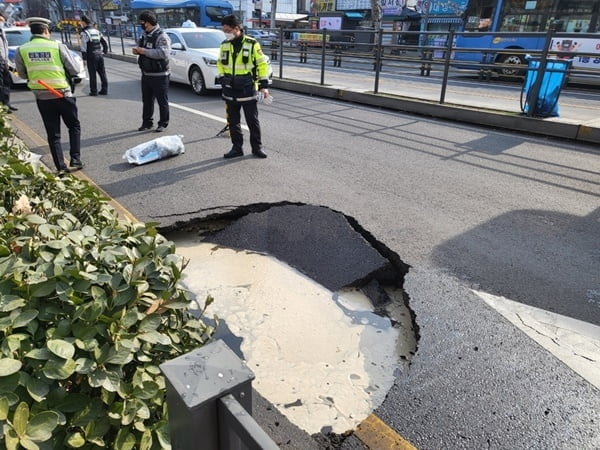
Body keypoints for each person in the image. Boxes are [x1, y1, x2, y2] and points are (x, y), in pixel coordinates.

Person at [15, 17, 83, 175]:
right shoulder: (57, 46)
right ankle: (75, 159)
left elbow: (22, 73)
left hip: (42, 97)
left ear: (32, 32)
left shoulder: (22, 49)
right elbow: (73, 69)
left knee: (53, 134)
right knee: (73, 126)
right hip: (63, 94)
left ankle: (60, 167)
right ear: (46, 31)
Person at [217, 15, 270, 159]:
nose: (225, 33)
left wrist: (263, 86)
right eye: (224, 30)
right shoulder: (224, 44)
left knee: (252, 121)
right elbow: (220, 63)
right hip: (230, 89)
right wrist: (222, 77)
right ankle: (237, 148)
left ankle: (257, 148)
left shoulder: (252, 44)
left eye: (227, 30)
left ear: (236, 28)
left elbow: (262, 64)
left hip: (247, 89)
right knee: (233, 121)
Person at [132, 11, 171, 133]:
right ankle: (147, 122)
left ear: (148, 23)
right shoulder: (144, 35)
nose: (141, 25)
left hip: (160, 75)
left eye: (143, 23)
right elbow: (141, 48)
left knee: (162, 101)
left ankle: (163, 123)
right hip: (146, 73)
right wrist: (137, 51)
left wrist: (144, 51)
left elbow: (163, 53)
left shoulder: (162, 36)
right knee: (147, 100)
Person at [79, 15, 108, 96]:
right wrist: (104, 51)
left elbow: (83, 47)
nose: (80, 23)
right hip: (99, 54)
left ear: (84, 22)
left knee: (92, 74)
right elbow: (104, 42)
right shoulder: (96, 31)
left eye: (81, 21)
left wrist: (84, 59)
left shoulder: (84, 33)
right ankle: (104, 90)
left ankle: (94, 91)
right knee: (102, 73)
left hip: (91, 55)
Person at [0, 13, 17, 112]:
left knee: (6, 83)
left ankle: (7, 103)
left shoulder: (2, 32)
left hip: (3, 61)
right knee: (1, 84)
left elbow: (4, 48)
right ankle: (3, 107)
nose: (1, 23)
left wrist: (6, 61)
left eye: (2, 21)